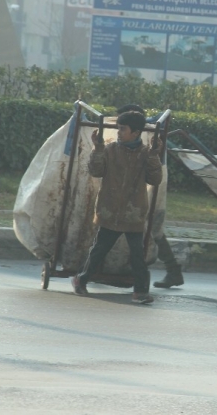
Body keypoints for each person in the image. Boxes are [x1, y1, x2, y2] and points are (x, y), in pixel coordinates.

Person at [71, 110, 163, 304]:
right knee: (100, 249)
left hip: (134, 213)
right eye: (119, 128)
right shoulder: (110, 149)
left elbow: (155, 179)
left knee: (138, 254)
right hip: (109, 210)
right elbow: (96, 171)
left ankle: (140, 291)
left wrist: (155, 155)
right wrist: (97, 149)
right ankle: (82, 279)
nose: (119, 132)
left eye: (123, 129)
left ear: (136, 133)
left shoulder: (146, 153)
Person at [117, 104, 185, 289]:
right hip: (145, 190)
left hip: (149, 191)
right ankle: (172, 270)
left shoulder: (147, 133)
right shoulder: (148, 132)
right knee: (152, 230)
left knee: (153, 230)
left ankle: (173, 270)